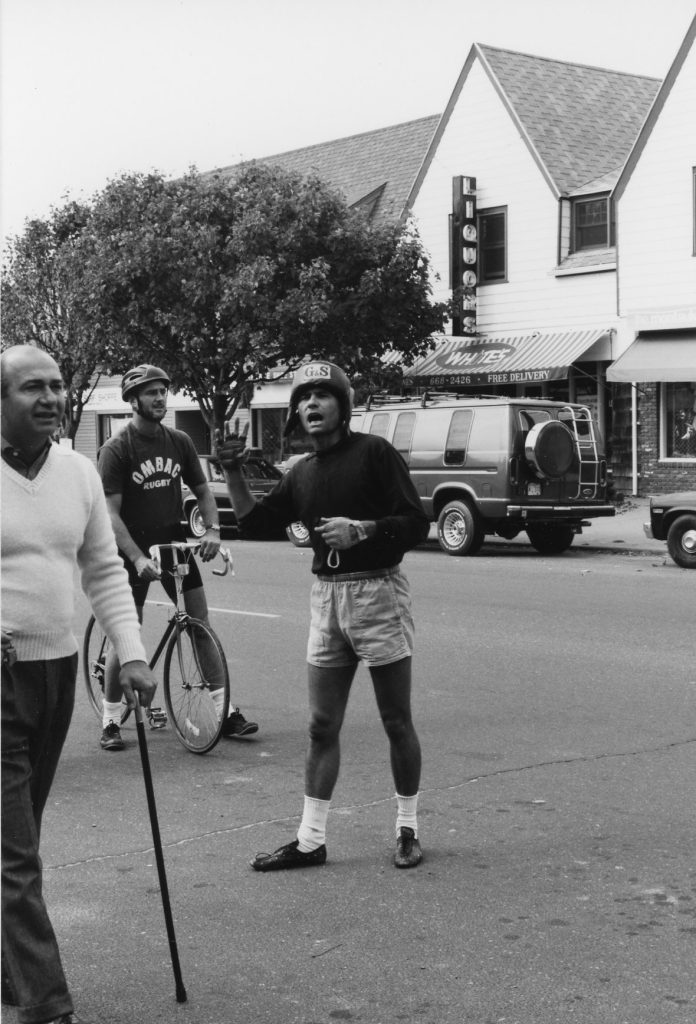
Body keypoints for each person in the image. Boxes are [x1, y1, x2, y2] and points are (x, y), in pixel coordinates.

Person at [218, 360, 429, 870]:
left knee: (395, 719)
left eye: (322, 395)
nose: (311, 404)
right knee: (320, 725)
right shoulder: (302, 473)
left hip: (377, 593)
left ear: (343, 405)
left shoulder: (374, 454)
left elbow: (415, 522)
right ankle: (311, 840)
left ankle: (407, 828)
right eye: (303, 398)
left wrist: (364, 530)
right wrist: (230, 470)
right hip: (326, 596)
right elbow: (258, 524)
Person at [1, 345, 157, 1024]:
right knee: (15, 853)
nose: (51, 397)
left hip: (56, 670)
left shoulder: (78, 473)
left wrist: (133, 653)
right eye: (32, 387)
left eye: (57, 385)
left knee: (19, 835)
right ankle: (45, 1004)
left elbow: (103, 570)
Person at [96, 364, 258, 750]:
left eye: (163, 391)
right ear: (132, 400)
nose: (159, 399)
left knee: (199, 622)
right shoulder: (117, 449)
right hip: (129, 545)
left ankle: (224, 712)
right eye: (150, 393)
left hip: (171, 539)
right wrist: (136, 558)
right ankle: (110, 719)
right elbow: (110, 514)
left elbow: (202, 491)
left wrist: (213, 532)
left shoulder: (179, 440)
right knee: (125, 634)